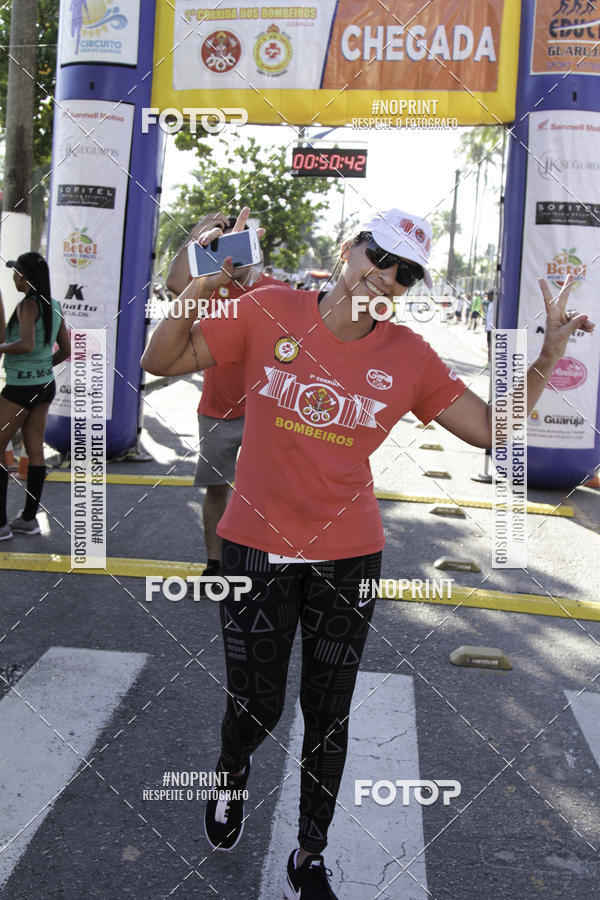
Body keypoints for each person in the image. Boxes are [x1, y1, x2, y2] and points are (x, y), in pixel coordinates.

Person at [141, 206, 593, 900]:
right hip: (254, 546)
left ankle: (309, 855)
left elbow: (491, 430)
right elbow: (159, 358)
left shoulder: (407, 356)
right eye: (378, 256)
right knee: (256, 706)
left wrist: (549, 356)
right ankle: (232, 772)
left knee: (329, 710)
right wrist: (191, 295)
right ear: (348, 249)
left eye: (403, 274)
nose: (384, 276)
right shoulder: (268, 309)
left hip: (348, 557)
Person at [166, 213, 282, 585]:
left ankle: (261, 562)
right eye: (224, 247)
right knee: (216, 490)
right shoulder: (210, 288)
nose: (233, 258)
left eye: (241, 245)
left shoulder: (277, 291)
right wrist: (197, 235)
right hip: (216, 409)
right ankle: (215, 564)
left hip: (266, 414)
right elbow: (173, 283)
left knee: (264, 493)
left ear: (255, 249)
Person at [0, 252, 70, 540]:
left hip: (19, 388)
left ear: (27, 277)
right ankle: (29, 519)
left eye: (17, 272)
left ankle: (1, 525)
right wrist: (43, 367)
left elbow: (26, 344)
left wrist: (1, 349)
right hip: (44, 386)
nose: (14, 277)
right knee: (35, 451)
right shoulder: (53, 306)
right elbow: (65, 350)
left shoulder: (27, 305)